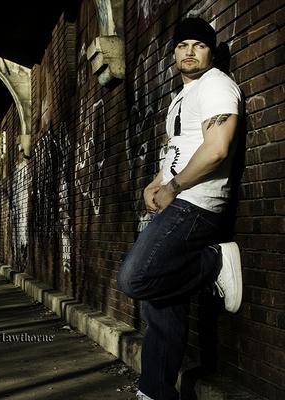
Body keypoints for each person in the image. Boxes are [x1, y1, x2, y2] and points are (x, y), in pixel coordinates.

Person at [117, 18, 243, 400]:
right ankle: (155, 391)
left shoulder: (216, 84)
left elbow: (216, 149)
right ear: (174, 53)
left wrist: (173, 187)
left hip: (198, 203)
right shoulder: (181, 96)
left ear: (210, 53)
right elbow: (181, 148)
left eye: (198, 45)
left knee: (135, 279)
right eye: (183, 45)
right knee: (162, 302)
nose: (189, 52)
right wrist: (156, 182)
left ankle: (214, 262)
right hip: (179, 197)